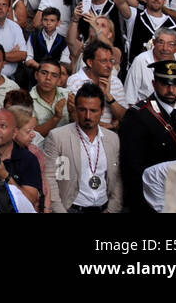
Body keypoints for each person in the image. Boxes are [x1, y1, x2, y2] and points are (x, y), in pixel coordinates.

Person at [119, 60, 176, 213]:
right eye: (165, 83)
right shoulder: (139, 114)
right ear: (154, 83)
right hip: (151, 200)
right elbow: (131, 169)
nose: (171, 89)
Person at [43, 81, 123, 213]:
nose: (88, 116)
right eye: (82, 110)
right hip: (72, 208)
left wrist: (113, 209)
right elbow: (50, 178)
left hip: (104, 208)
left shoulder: (112, 139)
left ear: (102, 111)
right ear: (75, 109)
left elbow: (117, 178)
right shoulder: (58, 137)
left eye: (93, 111)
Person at [124, 28, 176, 106]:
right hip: (147, 113)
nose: (165, 48)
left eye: (171, 44)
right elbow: (129, 98)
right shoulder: (141, 60)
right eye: (161, 42)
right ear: (154, 42)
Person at [66, 41, 128, 130]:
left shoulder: (116, 82)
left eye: (111, 61)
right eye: (104, 61)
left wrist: (108, 96)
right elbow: (77, 116)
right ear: (90, 62)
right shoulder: (75, 81)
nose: (110, 66)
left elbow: (124, 117)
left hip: (110, 137)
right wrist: (109, 126)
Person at [30, 59, 70, 137]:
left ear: (59, 80)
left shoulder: (68, 96)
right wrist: (56, 118)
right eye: (44, 73)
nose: (48, 78)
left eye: (54, 75)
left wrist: (73, 113)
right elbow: (31, 134)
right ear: (36, 75)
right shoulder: (27, 100)